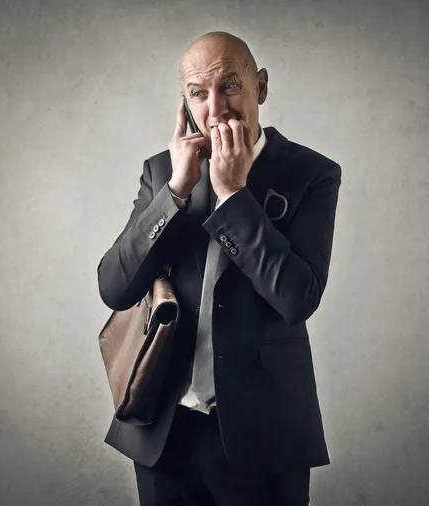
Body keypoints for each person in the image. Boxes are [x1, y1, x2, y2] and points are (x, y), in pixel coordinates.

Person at [97, 31, 342, 506]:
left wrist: (233, 195)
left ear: (261, 87)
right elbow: (114, 288)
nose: (216, 108)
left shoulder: (311, 173)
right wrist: (175, 192)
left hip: (265, 434)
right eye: (198, 93)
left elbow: (297, 299)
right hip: (164, 434)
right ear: (185, 102)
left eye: (230, 85)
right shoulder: (162, 171)